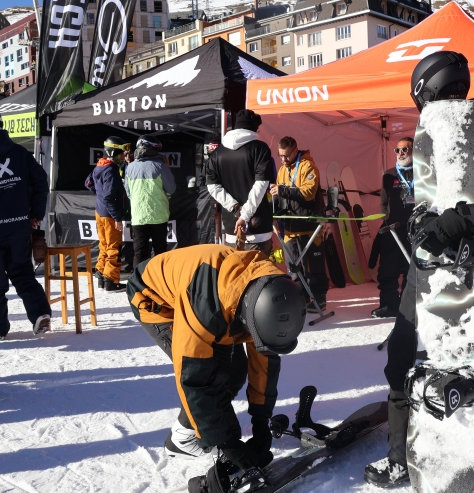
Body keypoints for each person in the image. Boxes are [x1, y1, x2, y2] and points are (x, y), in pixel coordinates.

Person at [364, 51, 474, 487]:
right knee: (402, 360)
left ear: (424, 89)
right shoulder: (434, 132)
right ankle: (401, 456)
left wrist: (459, 221)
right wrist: (422, 222)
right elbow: (431, 199)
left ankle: (459, 461)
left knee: (465, 370)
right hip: (426, 273)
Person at [126, 244, 306, 493]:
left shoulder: (269, 292)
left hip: (210, 290)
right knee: (215, 372)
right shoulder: (206, 307)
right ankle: (181, 438)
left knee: (234, 370)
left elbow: (264, 361)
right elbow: (194, 380)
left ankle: (207, 428)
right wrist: (226, 442)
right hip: (154, 298)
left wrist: (261, 421)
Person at [0, 106, 52, 338]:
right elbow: (41, 182)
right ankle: (40, 313)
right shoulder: (19, 152)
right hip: (18, 227)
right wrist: (36, 214)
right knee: (23, 275)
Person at [269, 136, 328, 312]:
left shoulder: (308, 166)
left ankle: (319, 299)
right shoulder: (282, 170)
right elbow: (281, 194)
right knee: (293, 267)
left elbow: (309, 193)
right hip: (290, 226)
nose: (283, 159)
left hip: (309, 225)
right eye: (280, 155)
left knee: (313, 266)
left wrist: (283, 190)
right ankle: (300, 299)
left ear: (295, 151)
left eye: (287, 155)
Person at [205, 109, 275, 256]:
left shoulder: (217, 153)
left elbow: (212, 187)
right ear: (254, 128)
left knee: (235, 270)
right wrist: (244, 215)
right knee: (259, 270)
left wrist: (236, 209)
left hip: (232, 226)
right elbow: (261, 185)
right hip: (258, 227)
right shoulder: (260, 148)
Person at [371, 137, 415, 318]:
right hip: (392, 230)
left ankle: (407, 306)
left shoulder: (423, 173)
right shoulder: (389, 175)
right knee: (387, 270)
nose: (401, 153)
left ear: (413, 150)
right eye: (397, 150)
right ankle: (389, 305)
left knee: (411, 269)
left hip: (413, 229)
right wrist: (386, 222)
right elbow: (384, 202)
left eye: (405, 149)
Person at [125, 134, 176, 269]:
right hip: (158, 215)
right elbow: (171, 189)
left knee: (139, 252)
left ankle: (138, 280)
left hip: (138, 216)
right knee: (160, 251)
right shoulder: (160, 166)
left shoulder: (130, 167)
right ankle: (160, 279)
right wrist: (167, 168)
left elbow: (128, 193)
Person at [85, 136, 129, 292]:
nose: (123, 156)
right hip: (109, 214)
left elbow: (88, 182)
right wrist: (117, 217)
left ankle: (101, 275)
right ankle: (111, 281)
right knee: (113, 247)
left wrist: (100, 194)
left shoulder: (100, 165)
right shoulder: (111, 169)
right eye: (121, 153)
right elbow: (109, 196)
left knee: (104, 245)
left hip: (100, 211)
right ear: (114, 152)